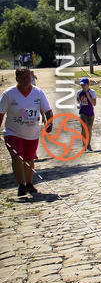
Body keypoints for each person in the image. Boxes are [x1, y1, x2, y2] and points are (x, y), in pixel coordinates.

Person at [0, 68, 53, 199]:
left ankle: (29, 183)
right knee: (17, 156)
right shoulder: (8, 94)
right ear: (17, 79)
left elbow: (47, 110)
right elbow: (1, 113)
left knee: (29, 159)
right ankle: (21, 185)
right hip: (12, 132)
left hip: (31, 133)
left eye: (28, 78)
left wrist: (49, 123)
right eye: (22, 78)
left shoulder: (38, 93)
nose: (25, 81)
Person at [77, 77, 97, 151]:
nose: (83, 86)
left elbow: (94, 103)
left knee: (89, 128)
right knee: (83, 128)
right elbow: (79, 102)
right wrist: (78, 105)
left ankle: (88, 144)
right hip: (82, 112)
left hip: (90, 112)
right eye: (81, 85)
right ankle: (84, 144)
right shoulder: (79, 93)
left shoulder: (92, 92)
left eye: (84, 85)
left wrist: (88, 96)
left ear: (88, 84)